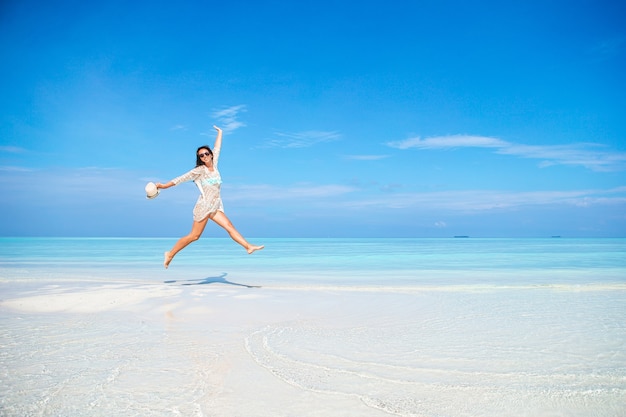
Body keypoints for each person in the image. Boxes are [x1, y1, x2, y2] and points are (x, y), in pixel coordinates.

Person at [156, 125, 264, 269]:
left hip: (215, 206)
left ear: (211, 154)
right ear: (199, 158)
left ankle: (247, 247)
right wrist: (163, 186)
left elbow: (217, 147)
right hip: (204, 206)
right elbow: (180, 179)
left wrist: (220, 132)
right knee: (194, 236)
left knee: (229, 226)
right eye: (201, 155)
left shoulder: (215, 165)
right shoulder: (200, 171)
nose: (205, 156)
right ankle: (170, 254)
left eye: (207, 153)